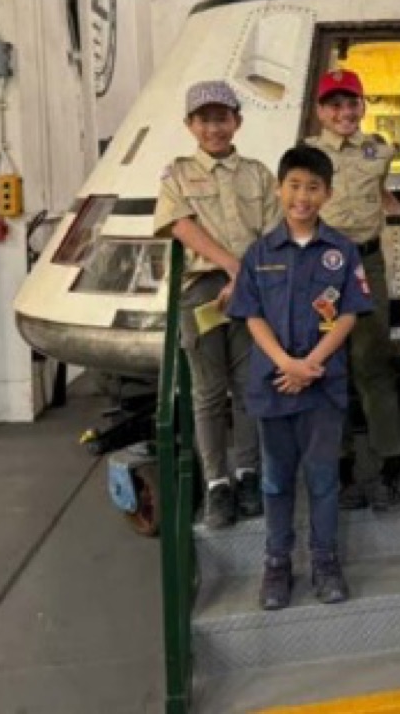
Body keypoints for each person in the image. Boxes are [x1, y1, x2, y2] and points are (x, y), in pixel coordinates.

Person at [228, 144, 372, 611]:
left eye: (313, 187)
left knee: (324, 480)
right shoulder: (259, 253)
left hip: (322, 387)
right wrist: (285, 364)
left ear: (328, 193)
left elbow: (349, 313)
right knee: (275, 481)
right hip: (275, 387)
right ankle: (276, 564)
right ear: (279, 188)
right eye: (294, 185)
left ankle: (326, 563)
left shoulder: (343, 251)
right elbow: (251, 317)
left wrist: (311, 364)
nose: (302, 196)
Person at [154, 80, 277, 529]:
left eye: (222, 118)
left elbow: (271, 232)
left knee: (248, 386)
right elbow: (180, 226)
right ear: (190, 125)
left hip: (251, 289)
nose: (214, 127)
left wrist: (246, 278)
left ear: (237, 121)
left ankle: (247, 473)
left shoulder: (258, 174)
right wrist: (232, 269)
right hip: (203, 289)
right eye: (204, 119)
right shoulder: (177, 174)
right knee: (208, 391)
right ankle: (216, 483)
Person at [305, 69, 400, 514]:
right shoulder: (306, 155)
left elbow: (383, 194)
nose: (344, 112)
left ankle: (392, 462)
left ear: (363, 107)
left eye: (352, 103)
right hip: (320, 267)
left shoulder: (379, 151)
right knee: (328, 367)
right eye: (334, 104)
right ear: (320, 111)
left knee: (373, 363)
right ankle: (340, 464)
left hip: (367, 264)